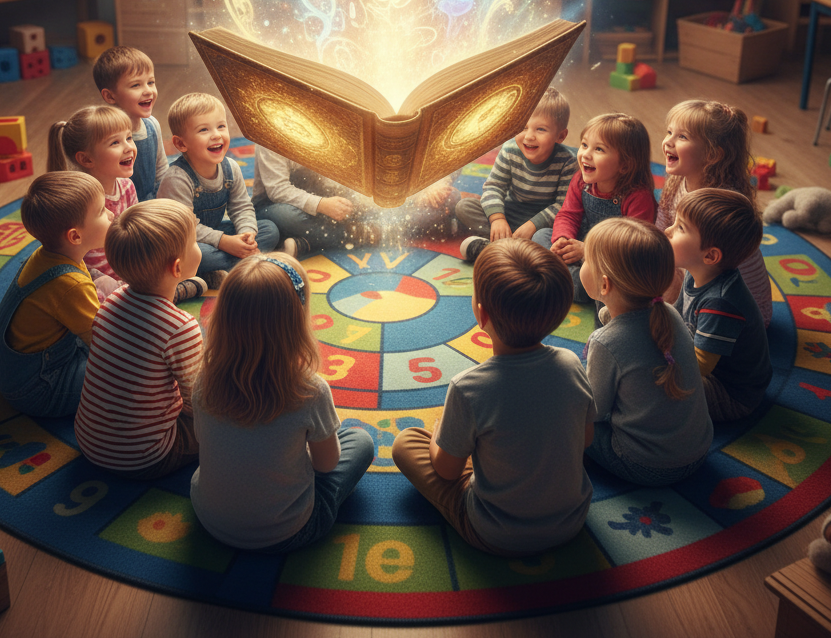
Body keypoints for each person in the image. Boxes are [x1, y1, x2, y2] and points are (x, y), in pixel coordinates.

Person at [392, 239, 595, 557]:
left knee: (405, 443)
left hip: (495, 532)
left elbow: (446, 471)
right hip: (572, 520)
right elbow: (585, 439)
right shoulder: (571, 363)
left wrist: (440, 432)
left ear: (481, 314)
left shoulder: (468, 387)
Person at [190, 254, 375, 550]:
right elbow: (327, 466)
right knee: (361, 441)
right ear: (296, 322)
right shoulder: (310, 390)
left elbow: (202, 439)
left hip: (209, 518)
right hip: (289, 531)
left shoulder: (203, 377)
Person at [75, 200, 205, 478]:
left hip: (89, 440)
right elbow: (198, 401)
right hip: (144, 456)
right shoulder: (180, 328)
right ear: (178, 268)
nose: (200, 247)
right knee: (230, 416)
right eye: (195, 242)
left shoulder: (109, 301)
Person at [581, 218, 712, 485]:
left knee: (564, 417)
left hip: (647, 465)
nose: (580, 266)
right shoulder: (669, 315)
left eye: (584, 260)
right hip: (698, 450)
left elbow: (593, 411)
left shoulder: (606, 343)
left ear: (605, 286)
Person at [48, 105, 205, 302]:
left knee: (183, 255)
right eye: (115, 142)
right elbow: (73, 255)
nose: (129, 147)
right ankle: (169, 294)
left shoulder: (126, 186)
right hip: (96, 276)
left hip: (128, 267)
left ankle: (158, 293)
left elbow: (134, 234)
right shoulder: (80, 200)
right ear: (86, 159)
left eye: (129, 138)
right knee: (111, 292)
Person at [0, 172, 111, 417]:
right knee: (131, 376)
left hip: (20, 370)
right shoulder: (70, 284)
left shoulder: (48, 255)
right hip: (38, 388)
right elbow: (104, 346)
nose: (111, 214)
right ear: (75, 236)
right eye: (101, 211)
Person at [658, 99, 772, 327]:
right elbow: (660, 230)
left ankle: (661, 323)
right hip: (701, 274)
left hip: (739, 312)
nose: (668, 142)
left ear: (712, 155)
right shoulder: (678, 182)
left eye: (682, 137)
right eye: (669, 132)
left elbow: (706, 264)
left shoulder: (720, 204)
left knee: (660, 272)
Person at [667, 188, 772, 422]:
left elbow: (699, 367)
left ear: (711, 256)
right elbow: (675, 313)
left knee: (651, 385)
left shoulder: (721, 302)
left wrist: (654, 359)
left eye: (680, 228)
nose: (668, 231)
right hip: (704, 365)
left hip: (730, 393)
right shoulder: (697, 273)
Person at [157, 93, 279, 287]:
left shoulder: (231, 167)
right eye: (204, 129)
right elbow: (187, 228)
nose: (216, 134)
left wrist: (247, 234)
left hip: (213, 235)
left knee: (268, 229)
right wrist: (225, 242)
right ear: (181, 144)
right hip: (180, 242)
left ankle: (224, 267)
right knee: (199, 256)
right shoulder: (177, 179)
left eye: (221, 126)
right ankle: (245, 263)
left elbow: (241, 206)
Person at [543, 112, 657, 304]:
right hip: (581, 246)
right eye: (584, 145)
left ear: (625, 165)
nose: (586, 154)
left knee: (619, 277)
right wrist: (563, 240)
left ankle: (570, 285)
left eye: (599, 149)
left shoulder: (638, 196)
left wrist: (588, 250)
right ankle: (572, 282)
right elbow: (568, 215)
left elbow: (633, 246)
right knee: (542, 236)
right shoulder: (580, 180)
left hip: (612, 258)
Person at [456, 87, 577, 262]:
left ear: (560, 136)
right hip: (510, 213)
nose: (528, 136)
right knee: (464, 207)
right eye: (523, 127)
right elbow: (493, 187)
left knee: (544, 237)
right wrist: (498, 219)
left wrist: (533, 225)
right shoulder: (510, 149)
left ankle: (497, 250)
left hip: (543, 223)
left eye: (540, 129)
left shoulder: (568, 161)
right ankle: (515, 250)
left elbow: (563, 206)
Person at [252, 146, 381, 257]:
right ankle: (356, 234)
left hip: (317, 198)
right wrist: (321, 204)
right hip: (273, 204)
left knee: (359, 202)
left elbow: (331, 175)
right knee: (287, 216)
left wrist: (341, 198)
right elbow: (278, 191)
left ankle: (305, 244)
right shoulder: (268, 136)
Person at [93, 45, 168, 202]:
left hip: (152, 205)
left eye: (151, 82)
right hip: (119, 211)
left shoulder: (152, 125)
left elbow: (161, 169)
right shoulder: (104, 135)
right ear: (110, 96)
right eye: (136, 85)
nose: (148, 91)